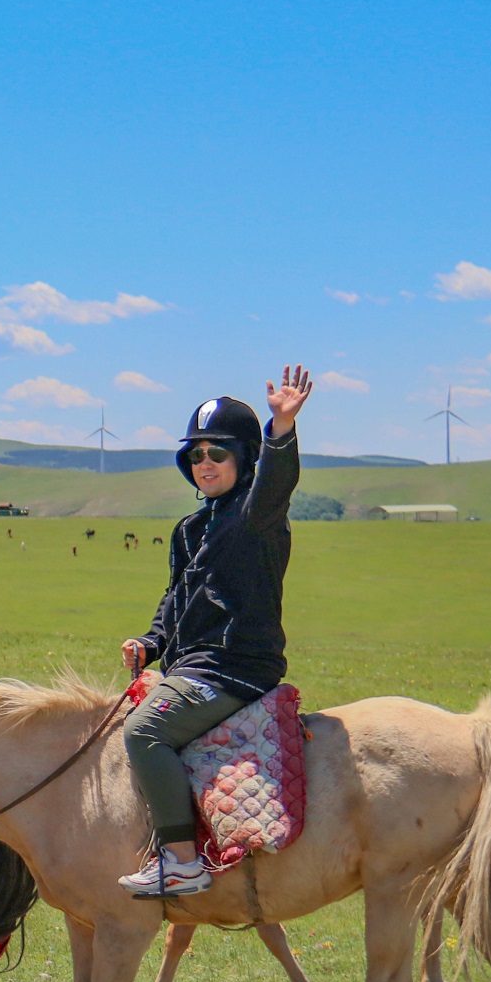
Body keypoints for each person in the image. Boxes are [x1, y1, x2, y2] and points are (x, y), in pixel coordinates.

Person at [116, 366, 313, 899]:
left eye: (218, 453)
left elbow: (276, 484)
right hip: (191, 666)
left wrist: (280, 430)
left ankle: (180, 861)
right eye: (195, 454)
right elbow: (175, 599)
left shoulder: (258, 518)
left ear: (245, 458)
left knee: (144, 732)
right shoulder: (190, 529)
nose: (205, 463)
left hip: (235, 668)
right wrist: (152, 643)